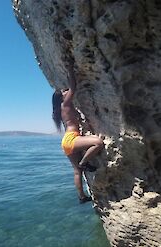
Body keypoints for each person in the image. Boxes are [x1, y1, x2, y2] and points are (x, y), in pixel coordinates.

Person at [52, 58, 104, 204]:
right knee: (98, 143)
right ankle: (84, 162)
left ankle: (82, 197)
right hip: (71, 139)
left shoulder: (60, 110)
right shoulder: (66, 104)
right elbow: (73, 88)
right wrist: (70, 70)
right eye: (63, 92)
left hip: (66, 142)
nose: (66, 91)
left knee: (77, 172)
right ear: (62, 97)